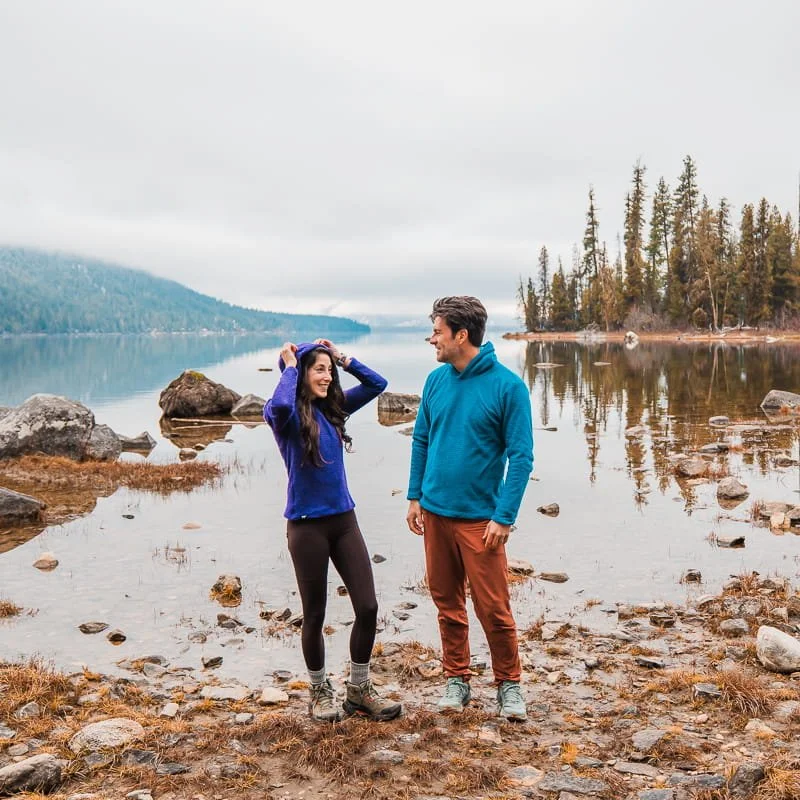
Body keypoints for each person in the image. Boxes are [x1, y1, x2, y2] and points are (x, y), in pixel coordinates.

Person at [405, 297, 534, 721]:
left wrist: (504, 516)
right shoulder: (435, 381)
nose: (432, 339)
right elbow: (421, 439)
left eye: (437, 332)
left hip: (481, 520)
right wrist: (414, 495)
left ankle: (509, 685)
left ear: (461, 335)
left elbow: (521, 457)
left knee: (493, 608)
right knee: (446, 603)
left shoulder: (507, 387)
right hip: (435, 513)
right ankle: (456, 679)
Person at [265, 338, 401, 723]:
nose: (327, 376)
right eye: (319, 369)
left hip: (344, 521)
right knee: (314, 615)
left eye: (329, 370)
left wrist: (343, 358)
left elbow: (377, 384)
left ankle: (359, 689)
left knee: (368, 607)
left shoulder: (333, 409)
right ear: (301, 374)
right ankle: (319, 691)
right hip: (306, 527)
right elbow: (281, 404)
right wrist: (291, 364)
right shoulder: (284, 417)